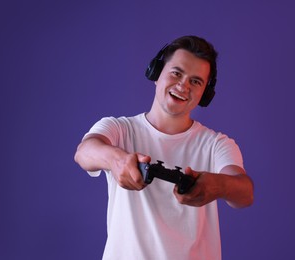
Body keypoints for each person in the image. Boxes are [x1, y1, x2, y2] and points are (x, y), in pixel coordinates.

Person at [74, 35, 254, 260]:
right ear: (156, 73)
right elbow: (84, 152)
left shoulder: (216, 145)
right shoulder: (119, 129)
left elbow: (245, 193)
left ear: (205, 95)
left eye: (195, 81)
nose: (183, 86)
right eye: (176, 73)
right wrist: (116, 160)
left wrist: (219, 186)